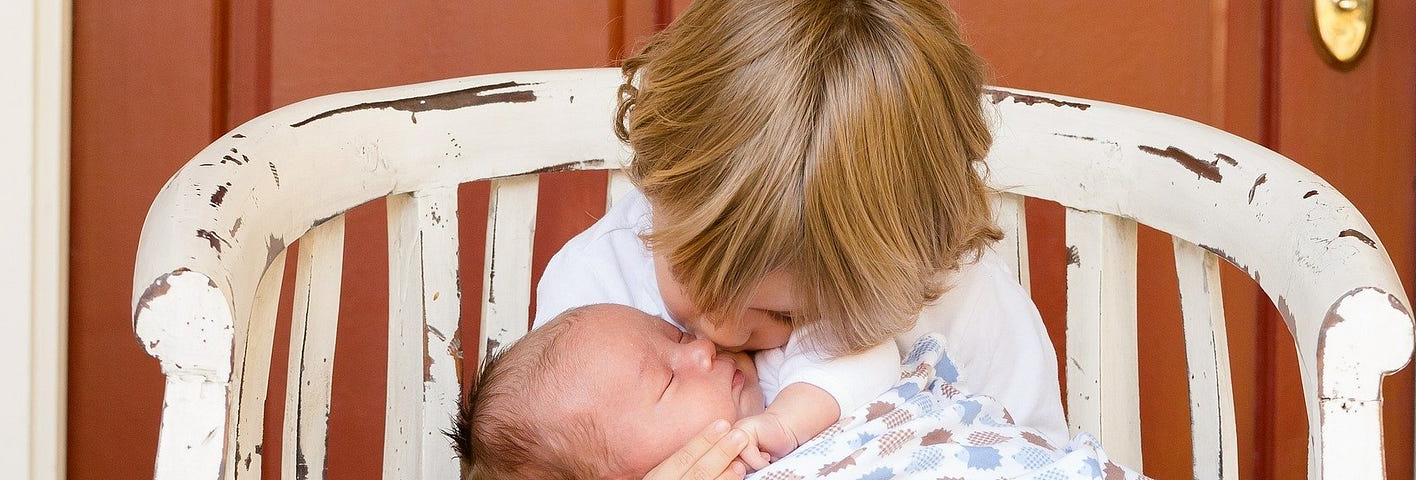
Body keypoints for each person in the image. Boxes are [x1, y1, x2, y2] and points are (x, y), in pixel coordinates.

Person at [533, 0, 1068, 476]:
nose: (719, 333)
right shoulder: (594, 296)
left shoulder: (964, 304)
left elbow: (1038, 454)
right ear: (656, 186)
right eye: (698, 277)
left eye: (786, 317)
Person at [453, 304, 839, 478]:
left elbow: (862, 353)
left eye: (678, 335)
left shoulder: (778, 365)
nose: (703, 348)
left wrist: (786, 421)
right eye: (668, 381)